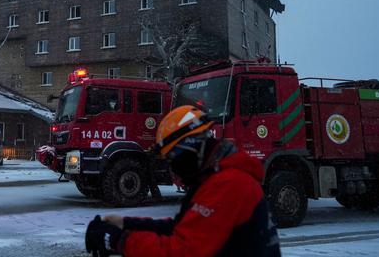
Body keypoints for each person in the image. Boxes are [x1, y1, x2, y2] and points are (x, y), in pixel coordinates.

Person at [85, 105, 281, 257]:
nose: (173, 166)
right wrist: (126, 224)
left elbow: (182, 251)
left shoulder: (229, 185)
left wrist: (119, 240)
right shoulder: (214, 179)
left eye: (173, 157)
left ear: (192, 147)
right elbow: (182, 228)